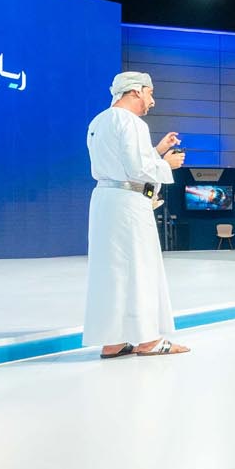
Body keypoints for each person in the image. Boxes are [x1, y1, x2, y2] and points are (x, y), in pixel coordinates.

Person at [86, 71, 188, 359]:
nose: (152, 101)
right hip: (128, 205)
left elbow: (122, 166)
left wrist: (157, 152)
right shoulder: (132, 122)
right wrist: (167, 164)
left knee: (112, 272)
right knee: (140, 268)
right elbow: (136, 170)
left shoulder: (99, 121)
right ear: (136, 91)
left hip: (106, 200)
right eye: (150, 93)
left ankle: (113, 340)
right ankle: (148, 340)